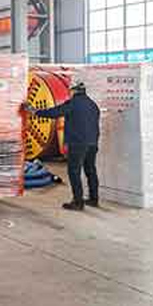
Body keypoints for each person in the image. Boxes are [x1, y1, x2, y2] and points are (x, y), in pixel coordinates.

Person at [25, 81, 100, 211]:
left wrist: (34, 111)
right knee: (90, 170)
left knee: (74, 172)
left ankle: (78, 202)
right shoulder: (93, 104)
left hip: (77, 143)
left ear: (74, 91)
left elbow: (54, 112)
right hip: (92, 142)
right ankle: (94, 199)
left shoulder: (72, 103)